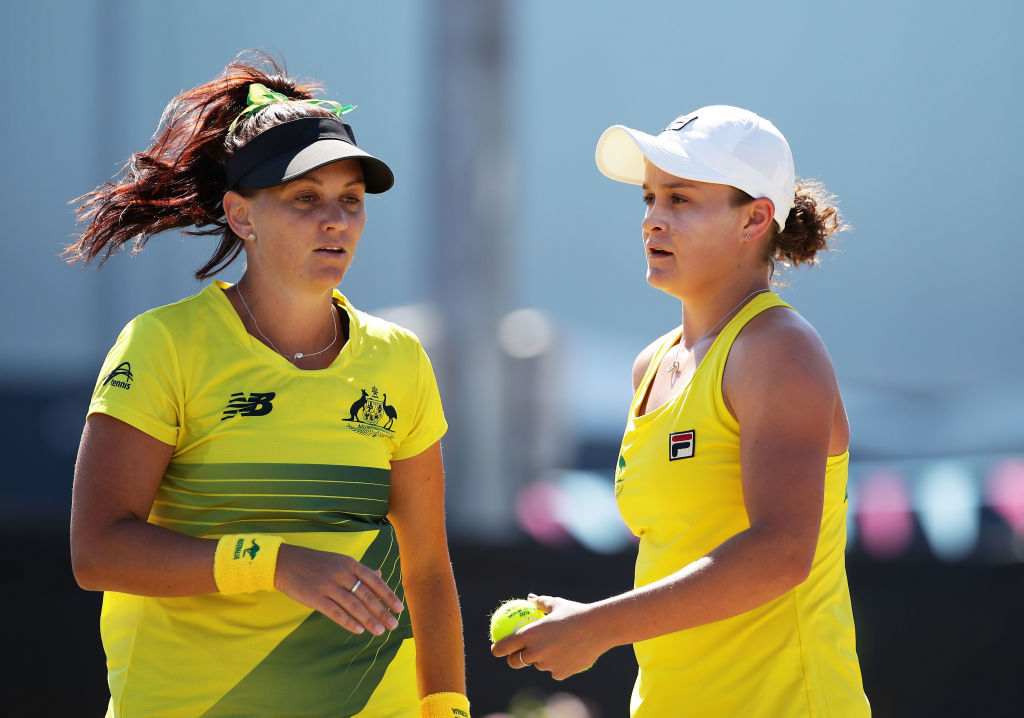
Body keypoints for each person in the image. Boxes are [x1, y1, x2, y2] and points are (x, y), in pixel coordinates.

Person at [67, 52, 469, 718]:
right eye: (305, 200)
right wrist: (275, 562)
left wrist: (448, 707)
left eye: (350, 202)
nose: (334, 221)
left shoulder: (400, 359)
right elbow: (99, 550)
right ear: (241, 215)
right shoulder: (163, 345)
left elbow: (426, 566)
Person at [492, 105, 871, 716]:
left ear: (755, 219)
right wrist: (590, 625)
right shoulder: (652, 364)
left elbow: (781, 552)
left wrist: (596, 626)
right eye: (648, 200)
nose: (653, 222)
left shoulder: (779, 349)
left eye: (681, 200)